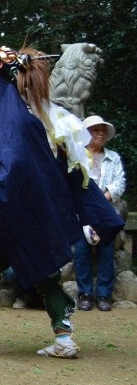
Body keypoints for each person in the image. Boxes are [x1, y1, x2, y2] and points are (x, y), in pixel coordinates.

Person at [0, 45, 122, 359]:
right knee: (44, 271)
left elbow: (13, 168)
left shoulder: (18, 121)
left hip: (8, 210)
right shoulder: (56, 118)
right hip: (39, 213)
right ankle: (63, 338)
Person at [73, 115, 126, 312]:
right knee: (80, 252)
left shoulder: (113, 158)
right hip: (82, 213)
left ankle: (104, 295)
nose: (100, 133)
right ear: (87, 134)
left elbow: (120, 183)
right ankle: (85, 294)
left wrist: (104, 197)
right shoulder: (76, 157)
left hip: (105, 212)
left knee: (106, 251)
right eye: (96, 130)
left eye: (103, 130)